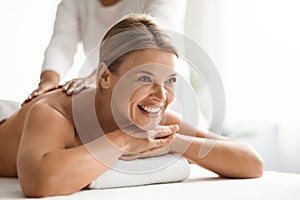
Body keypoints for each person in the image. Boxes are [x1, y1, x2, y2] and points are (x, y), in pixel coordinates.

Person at [0, 13, 263, 198]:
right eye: (145, 78)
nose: (161, 95)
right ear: (104, 77)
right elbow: (39, 182)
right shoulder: (53, 113)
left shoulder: (150, 114)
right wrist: (124, 140)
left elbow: (251, 163)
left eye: (170, 80)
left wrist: (172, 143)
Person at [25, 0, 187, 102]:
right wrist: (48, 82)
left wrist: (98, 75)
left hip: (166, 87)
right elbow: (62, 43)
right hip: (112, 87)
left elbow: (149, 37)